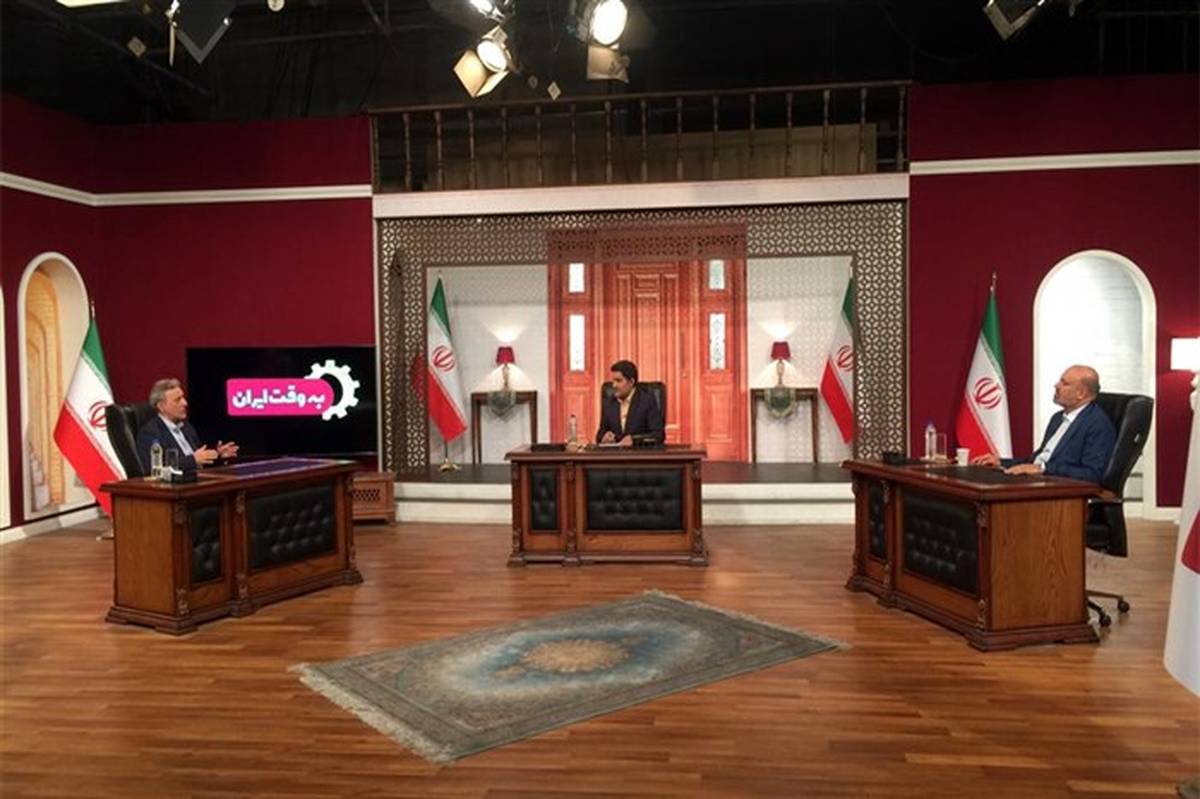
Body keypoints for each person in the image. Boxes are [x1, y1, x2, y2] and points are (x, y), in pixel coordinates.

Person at [973, 364, 1115, 482]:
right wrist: (1002, 462)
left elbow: (1092, 474)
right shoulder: (1057, 418)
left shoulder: (1097, 424)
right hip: (1037, 481)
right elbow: (1035, 461)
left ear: (1081, 394)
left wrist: (1043, 469)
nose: (1056, 385)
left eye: (1064, 383)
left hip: (1061, 493)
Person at [136, 378, 238, 473]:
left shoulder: (186, 427)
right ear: (161, 406)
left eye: (183, 398)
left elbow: (200, 461)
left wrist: (218, 455)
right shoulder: (150, 433)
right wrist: (193, 460)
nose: (185, 403)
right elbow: (155, 470)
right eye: (178, 400)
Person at [595, 360, 665, 447]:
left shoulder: (647, 401)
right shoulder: (609, 403)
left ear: (631, 382)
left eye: (618, 381)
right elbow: (599, 435)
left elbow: (658, 435)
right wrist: (604, 437)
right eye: (613, 381)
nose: (614, 385)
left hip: (639, 453)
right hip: (615, 454)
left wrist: (634, 440)